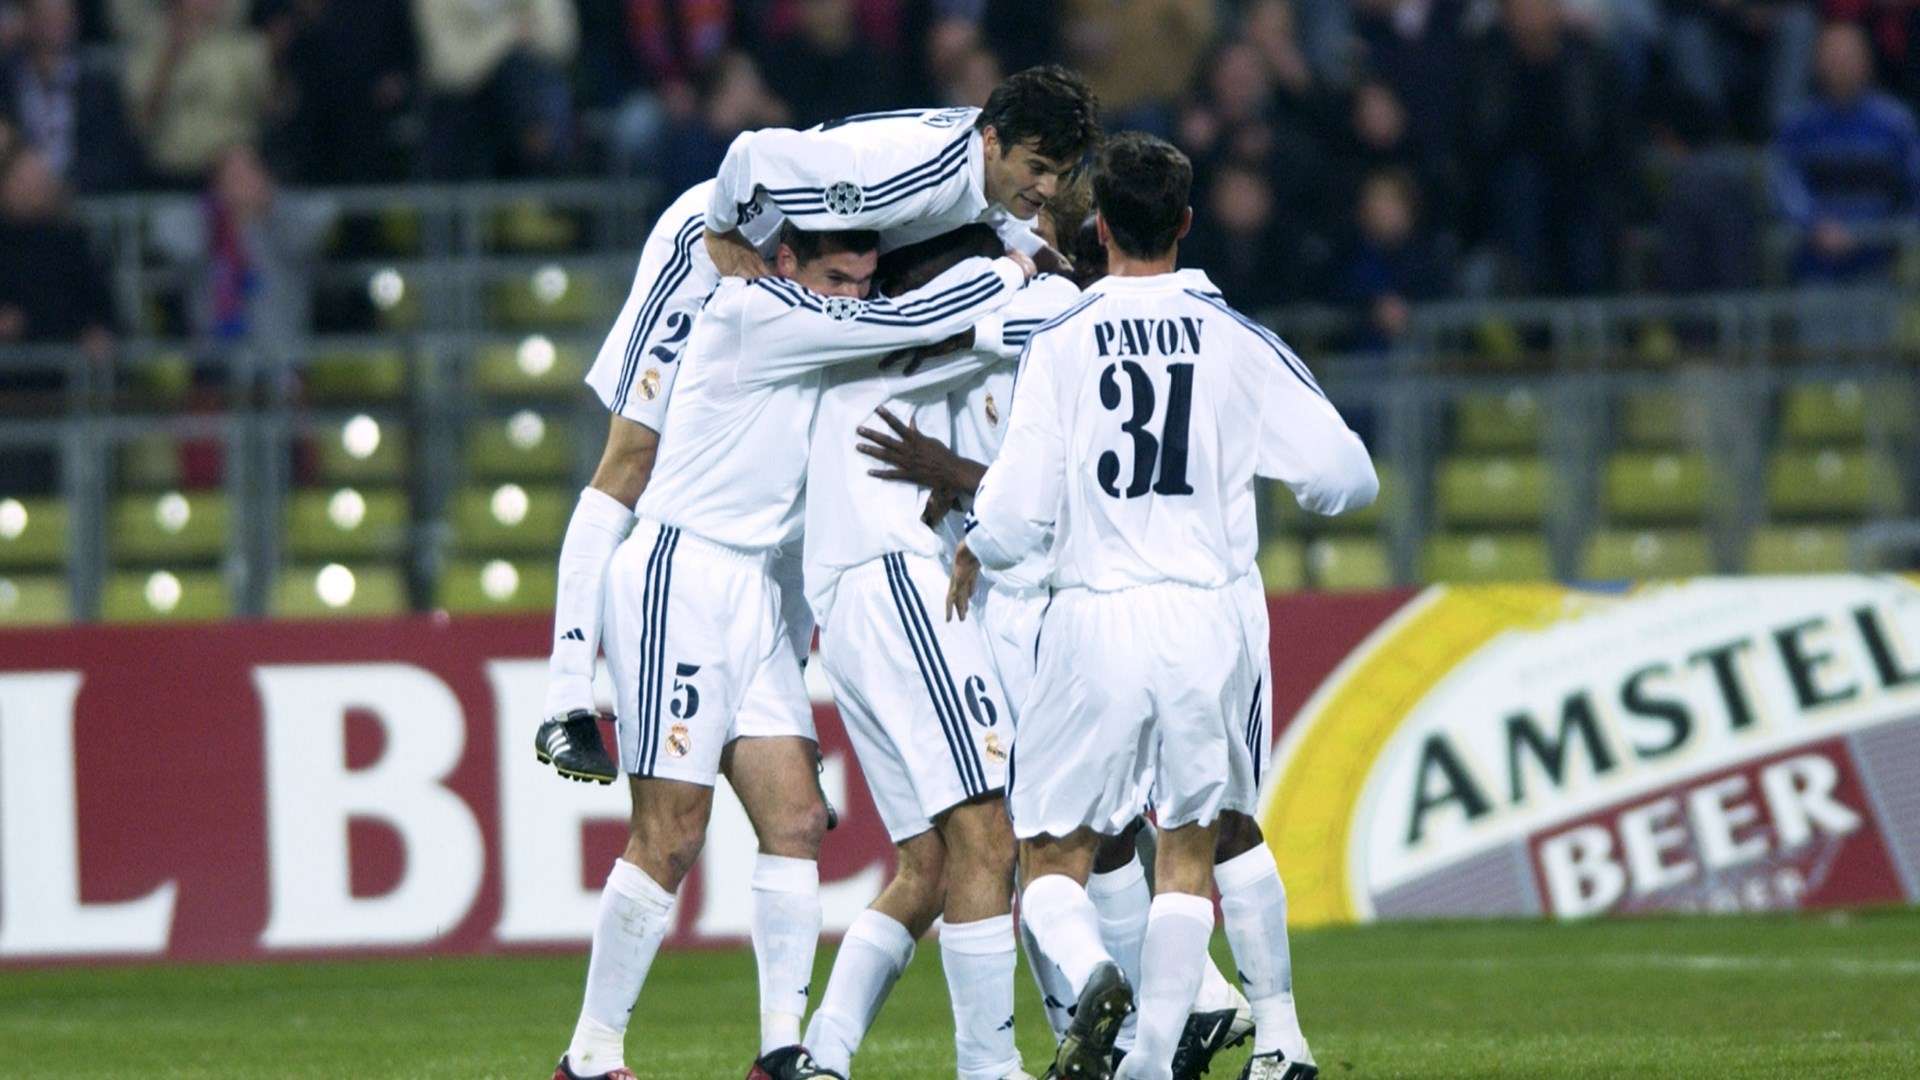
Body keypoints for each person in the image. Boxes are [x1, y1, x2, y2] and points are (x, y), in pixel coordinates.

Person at [551, 222, 1035, 1080]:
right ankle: (590, 1054)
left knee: (799, 822)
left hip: (756, 594)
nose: (850, 293)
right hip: (680, 570)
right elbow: (909, 325)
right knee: (671, 832)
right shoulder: (754, 311)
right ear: (785, 265)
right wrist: (1020, 261)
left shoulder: (820, 330)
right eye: (836, 276)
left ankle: (781, 1052)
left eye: (861, 279)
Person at [536, 67, 1100, 787]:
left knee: (807, 474)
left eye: (1058, 172)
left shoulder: (996, 174)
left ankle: (772, 709)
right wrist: (723, 237)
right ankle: (566, 704)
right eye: (1038, 169)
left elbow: (1037, 246)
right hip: (714, 251)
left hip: (820, 280)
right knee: (631, 458)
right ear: (991, 143)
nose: (1046, 187)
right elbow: (747, 159)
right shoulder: (902, 173)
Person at [964, 132, 1375, 1080]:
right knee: (1191, 849)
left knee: (1052, 854)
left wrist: (982, 544)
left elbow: (1017, 518)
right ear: (1186, 224)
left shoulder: (1061, 343)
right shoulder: (1236, 339)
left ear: (1099, 227)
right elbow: (1345, 476)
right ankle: (1159, 1061)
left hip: (1094, 616)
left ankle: (1093, 974)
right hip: (1206, 613)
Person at [796, 224, 1077, 1080]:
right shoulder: (890, 338)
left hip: (848, 611)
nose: (854, 293)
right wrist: (1039, 270)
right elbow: (1040, 333)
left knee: (928, 865)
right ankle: (988, 1066)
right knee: (990, 831)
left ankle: (819, 1054)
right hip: (893, 592)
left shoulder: (822, 350)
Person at [1771, 20, 1920, 284]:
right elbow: (1785, 183)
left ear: (1866, 61)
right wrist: (1815, 225)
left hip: (1880, 266)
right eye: (1833, 56)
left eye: (1849, 56)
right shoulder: (1798, 126)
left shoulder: (1896, 124)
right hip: (1816, 268)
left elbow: (1913, 186)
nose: (1841, 65)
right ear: (1817, 63)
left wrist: (1881, 232)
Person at [0, 0, 138, 193]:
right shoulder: (6, 84)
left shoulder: (99, 89)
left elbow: (116, 157)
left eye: (60, 15)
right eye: (45, 15)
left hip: (80, 205)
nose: (53, 23)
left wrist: (62, 188)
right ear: (27, 20)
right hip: (13, 204)